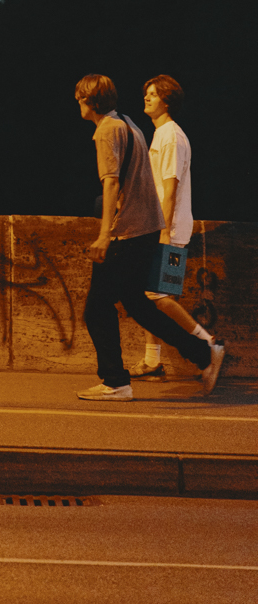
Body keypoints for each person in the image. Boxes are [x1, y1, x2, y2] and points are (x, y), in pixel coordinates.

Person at [74, 74, 224, 400]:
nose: (78, 103)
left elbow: (112, 183)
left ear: (90, 101)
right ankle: (202, 353)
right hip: (147, 229)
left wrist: (105, 235)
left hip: (131, 232)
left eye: (80, 98)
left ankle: (116, 381)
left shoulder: (109, 131)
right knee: (140, 304)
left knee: (99, 308)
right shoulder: (129, 124)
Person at [131, 74, 217, 379]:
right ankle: (152, 360)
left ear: (167, 101)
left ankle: (210, 343)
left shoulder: (170, 137)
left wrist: (164, 233)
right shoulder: (162, 134)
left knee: (160, 296)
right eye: (147, 93)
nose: (147, 97)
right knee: (152, 296)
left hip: (171, 232)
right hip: (164, 229)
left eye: (153, 94)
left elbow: (170, 190)